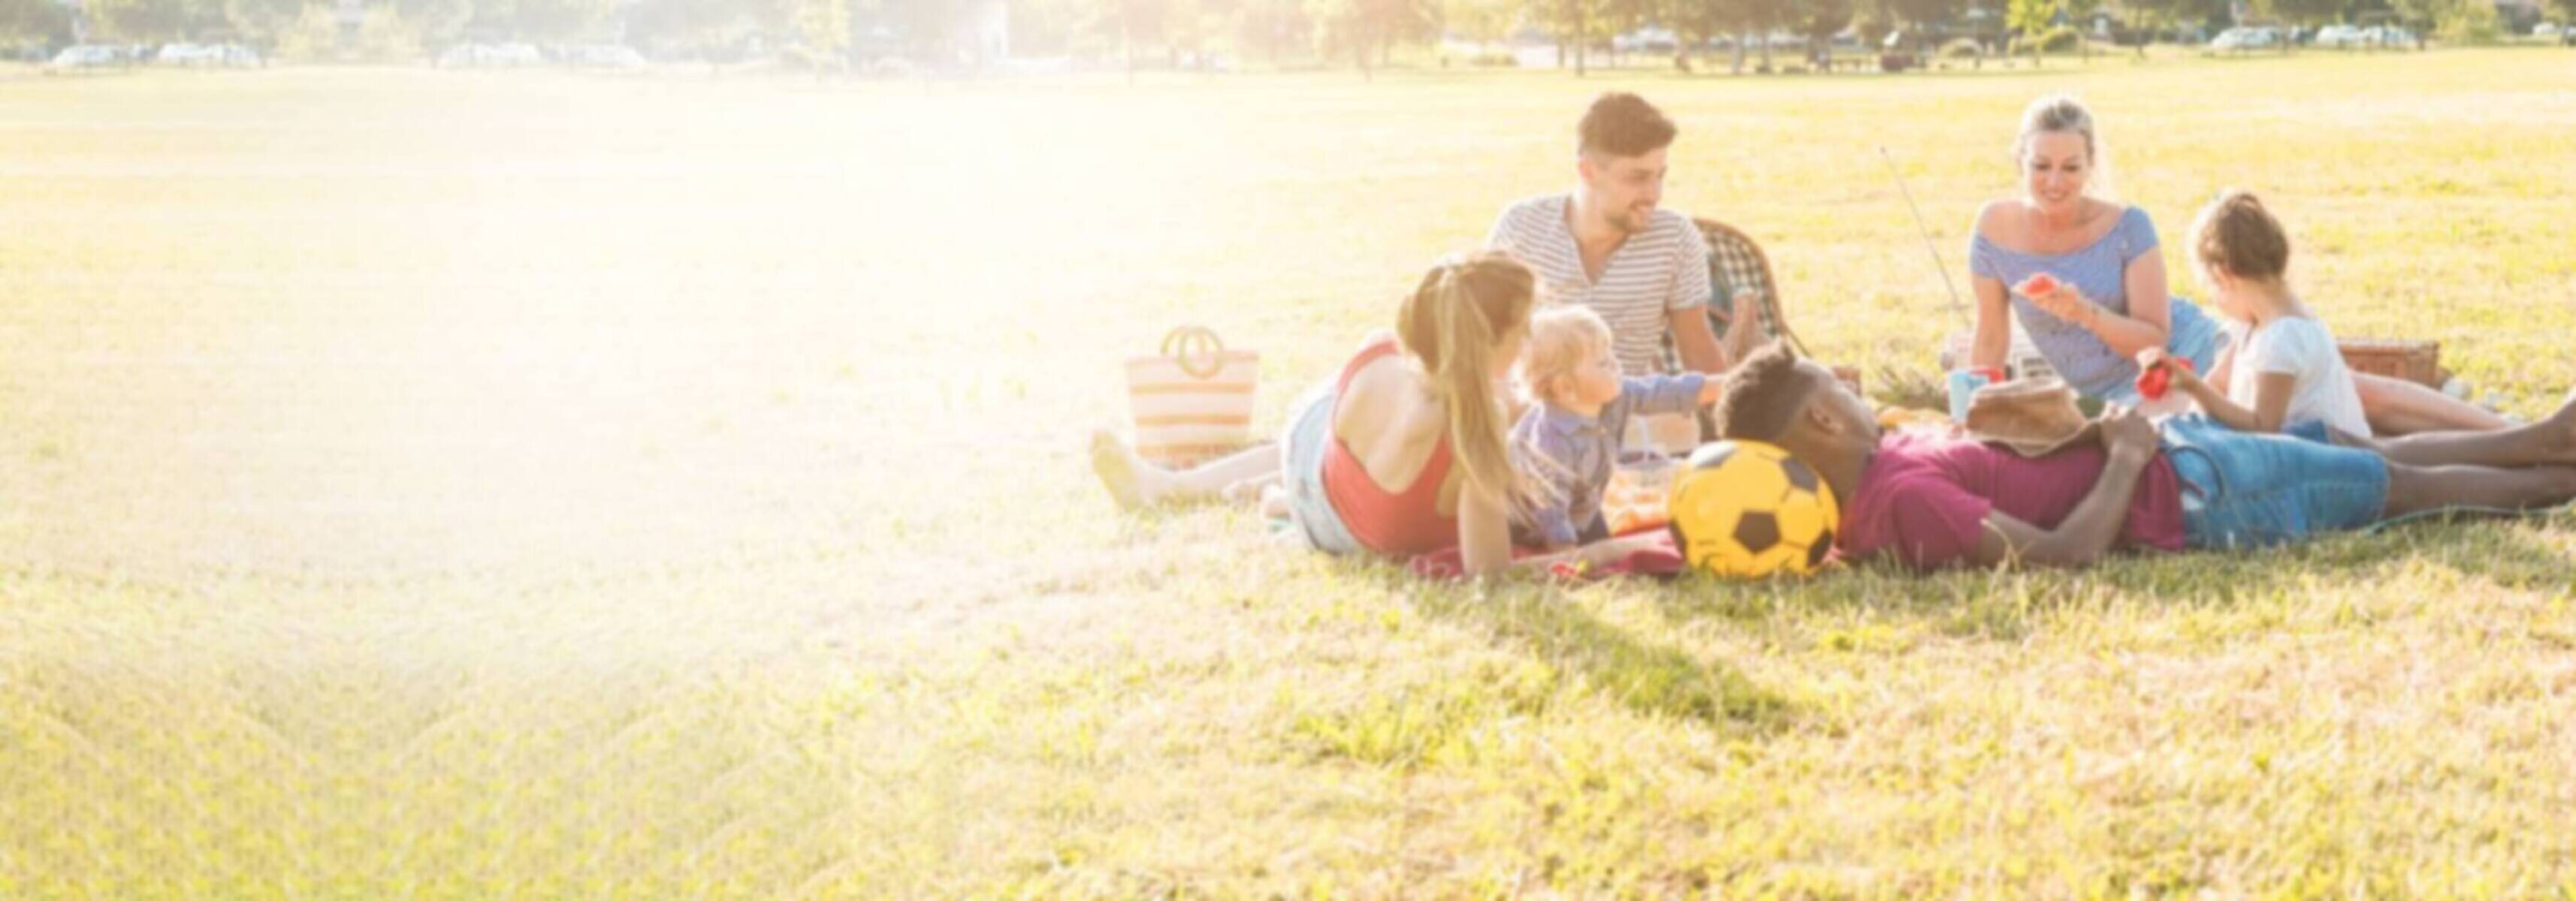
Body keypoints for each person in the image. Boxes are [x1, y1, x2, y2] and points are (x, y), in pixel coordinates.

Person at [1711, 341, 2576, 571]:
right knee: (2396, 484)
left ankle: (2542, 438)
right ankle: (2554, 462)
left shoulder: (1881, 471)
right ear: (1825, 418)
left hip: (2181, 458)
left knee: (2344, 445)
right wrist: (2124, 455)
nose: (1865, 403)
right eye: (1847, 395)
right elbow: (2061, 557)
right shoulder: (1899, 501)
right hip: (2194, 493)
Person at [1089, 253, 1664, 577]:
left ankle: (1183, 486)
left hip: (1312, 454)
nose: (1531, 339)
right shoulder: (1481, 424)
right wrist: (1605, 552)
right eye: (1522, 331)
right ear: (1492, 344)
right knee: (1446, 427)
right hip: (1340, 529)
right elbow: (1492, 573)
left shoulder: (1381, 353)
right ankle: (1252, 492)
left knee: (1336, 447)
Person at [1967, 93, 2504, 434]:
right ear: (2019, 159)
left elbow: (2152, 334)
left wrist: (2083, 312)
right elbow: (1990, 339)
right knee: (2313, 421)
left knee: (2352, 391)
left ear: (2089, 166)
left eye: (2070, 166)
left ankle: (2504, 429)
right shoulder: (1994, 230)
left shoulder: (2127, 225)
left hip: (2189, 355)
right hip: (2122, 397)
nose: (2054, 182)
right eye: (2040, 166)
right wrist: (1967, 410)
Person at [2144, 189, 2576, 469]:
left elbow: (2263, 427)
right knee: (2421, 451)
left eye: (2209, 287)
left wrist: (2194, 391)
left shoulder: (2281, 338)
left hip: (2338, 460)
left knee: (2431, 461)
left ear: (2226, 274)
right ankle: (2528, 440)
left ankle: (2533, 445)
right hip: (2331, 449)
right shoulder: (2252, 325)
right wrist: (2179, 384)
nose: (2213, 300)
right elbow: (2217, 383)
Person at [1487, 92, 1748, 381]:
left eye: (1660, 176)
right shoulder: (1521, 227)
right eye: (1637, 178)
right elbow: (1484, 342)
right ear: (1587, 171)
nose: (1653, 195)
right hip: (1528, 411)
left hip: (1624, 411)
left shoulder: (1675, 238)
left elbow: (1699, 354)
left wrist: (1730, 420)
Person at [1508, 306, 1722, 550]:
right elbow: (1549, 504)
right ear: (1566, 388)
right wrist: (1566, 556)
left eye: (1611, 355)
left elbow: (1665, 391)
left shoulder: (1617, 396)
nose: (1616, 365)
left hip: (1583, 508)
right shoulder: (1549, 440)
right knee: (1584, 559)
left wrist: (1727, 384)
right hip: (1527, 522)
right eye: (1603, 363)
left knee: (1609, 552)